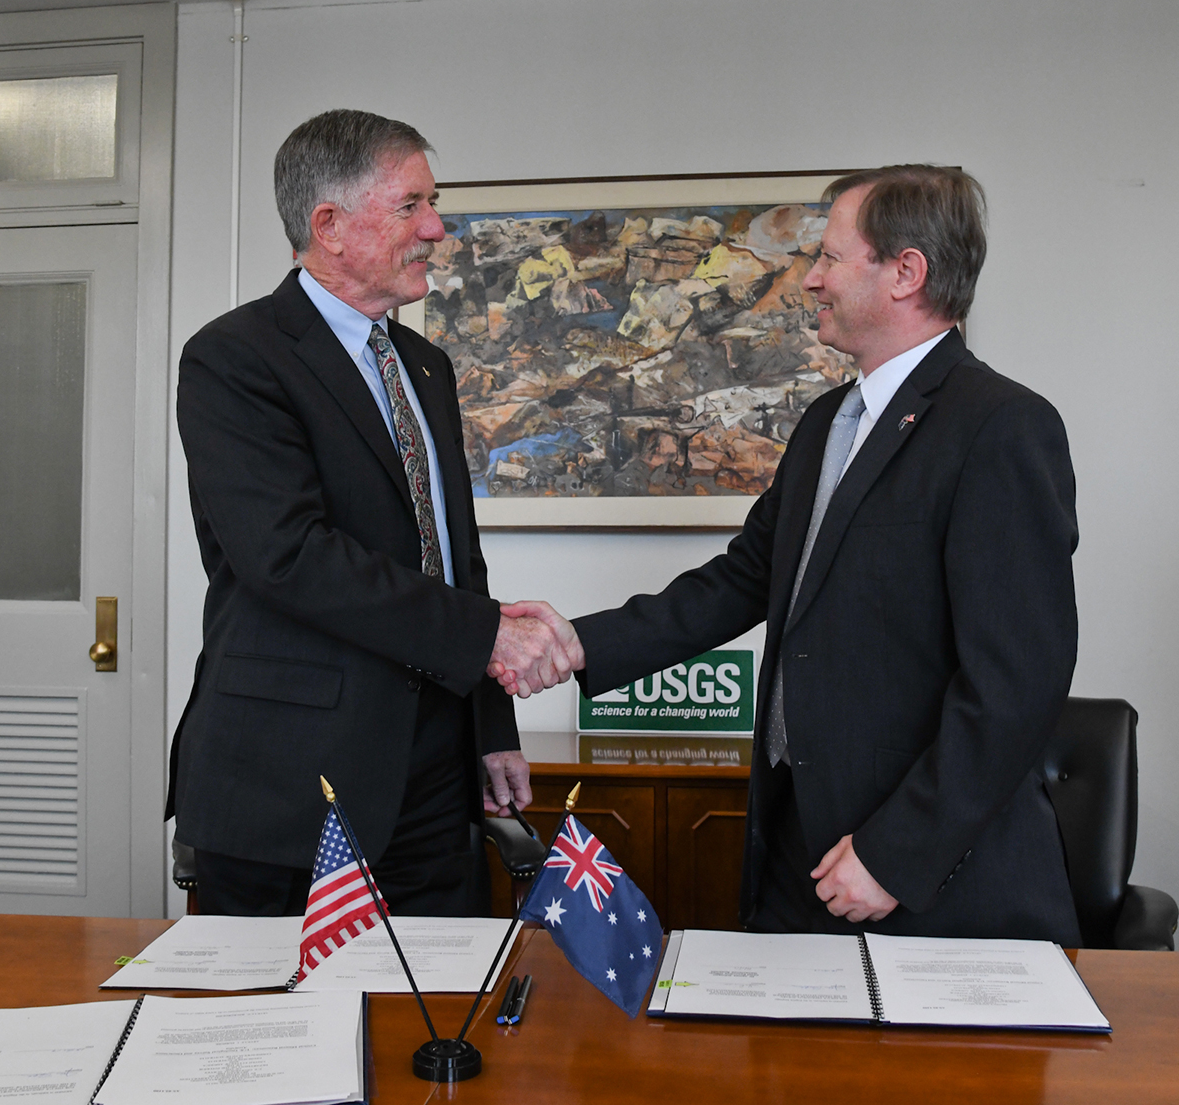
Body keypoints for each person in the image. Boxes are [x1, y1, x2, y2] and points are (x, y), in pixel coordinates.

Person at [497, 165, 1081, 943]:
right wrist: (577, 645)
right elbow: (742, 580)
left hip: (926, 880)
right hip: (798, 853)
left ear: (907, 272)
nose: (809, 280)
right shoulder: (825, 425)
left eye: (832, 258)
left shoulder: (1001, 427)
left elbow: (1017, 683)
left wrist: (893, 854)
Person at [168, 109, 581, 916]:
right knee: (272, 1031)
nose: (436, 227)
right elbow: (288, 555)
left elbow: (457, 559)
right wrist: (489, 636)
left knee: (426, 1024)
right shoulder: (234, 358)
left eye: (434, 202)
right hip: (288, 778)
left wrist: (489, 721)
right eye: (411, 206)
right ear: (330, 226)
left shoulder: (425, 365)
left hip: (431, 775)